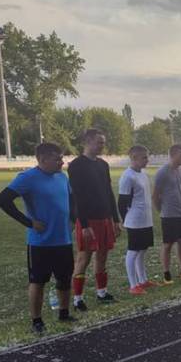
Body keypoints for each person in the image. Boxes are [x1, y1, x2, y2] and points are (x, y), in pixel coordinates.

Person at [0, 143, 77, 333]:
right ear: (42, 159)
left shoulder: (62, 177)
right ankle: (37, 321)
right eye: (57, 159)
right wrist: (29, 223)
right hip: (40, 242)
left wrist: (73, 219)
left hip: (63, 240)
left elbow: (72, 200)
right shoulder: (27, 178)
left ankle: (64, 313)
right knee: (38, 281)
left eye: (62, 158)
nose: (62, 162)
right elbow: (3, 200)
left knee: (65, 279)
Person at [68, 128, 121, 311]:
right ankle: (77, 299)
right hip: (88, 219)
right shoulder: (76, 165)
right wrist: (83, 224)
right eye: (99, 142)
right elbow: (77, 197)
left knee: (103, 256)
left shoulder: (103, 165)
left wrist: (115, 219)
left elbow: (108, 192)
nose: (102, 145)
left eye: (103, 142)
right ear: (88, 141)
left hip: (105, 217)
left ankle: (102, 292)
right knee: (84, 257)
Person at [153, 144, 181, 284]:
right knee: (168, 244)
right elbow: (155, 196)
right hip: (169, 215)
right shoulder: (162, 172)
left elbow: (180, 190)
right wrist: (162, 211)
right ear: (173, 155)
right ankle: (166, 273)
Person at [118, 145, 155, 295]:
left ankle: (143, 280)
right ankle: (133, 285)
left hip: (146, 219)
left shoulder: (143, 174)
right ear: (134, 158)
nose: (147, 160)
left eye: (147, 156)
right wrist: (125, 220)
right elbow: (122, 202)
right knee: (133, 251)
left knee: (142, 250)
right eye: (144, 157)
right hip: (135, 220)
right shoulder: (128, 176)